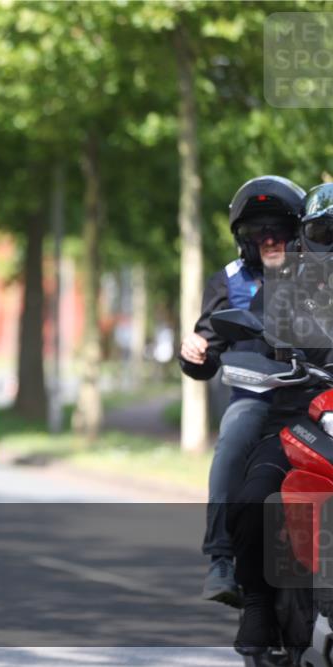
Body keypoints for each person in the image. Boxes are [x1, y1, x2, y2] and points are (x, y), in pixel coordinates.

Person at [179, 175, 305, 608]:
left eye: (280, 231)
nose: (270, 240)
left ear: (299, 233)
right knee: (233, 436)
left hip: (313, 398)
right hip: (257, 398)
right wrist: (194, 354)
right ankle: (220, 559)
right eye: (258, 232)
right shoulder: (228, 280)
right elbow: (206, 354)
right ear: (243, 240)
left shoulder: (319, 278)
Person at [225, 182, 332, 656]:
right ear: (307, 237)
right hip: (296, 422)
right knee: (253, 498)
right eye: (327, 231)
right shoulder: (285, 289)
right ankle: (258, 605)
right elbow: (250, 338)